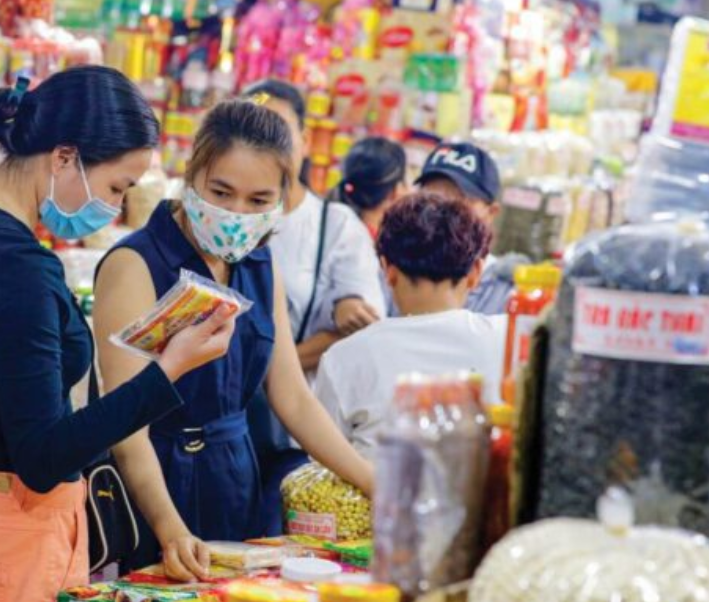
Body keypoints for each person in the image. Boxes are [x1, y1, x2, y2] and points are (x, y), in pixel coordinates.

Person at [0, 66, 237, 602]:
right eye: (115, 187)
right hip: (4, 550)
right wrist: (168, 369)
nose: (111, 209)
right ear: (64, 157)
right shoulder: (20, 269)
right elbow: (43, 459)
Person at [92, 98, 374, 581]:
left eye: (258, 200)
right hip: (153, 481)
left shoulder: (262, 267)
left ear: (284, 196)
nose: (235, 212)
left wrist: (375, 483)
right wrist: (170, 528)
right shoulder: (134, 264)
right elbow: (126, 428)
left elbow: (294, 400)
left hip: (236, 475)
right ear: (192, 173)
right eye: (220, 192)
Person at [240, 80, 385, 535]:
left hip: (294, 440)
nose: (265, 144)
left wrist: (255, 362)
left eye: (279, 130)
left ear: (304, 140)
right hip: (217, 435)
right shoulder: (223, 224)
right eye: (252, 128)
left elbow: (356, 330)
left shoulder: (334, 226)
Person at [314, 193, 507, 459]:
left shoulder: (344, 357)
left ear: (388, 271)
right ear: (475, 273)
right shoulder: (507, 340)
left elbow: (322, 465)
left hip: (377, 497)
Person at [412, 141, 527, 315]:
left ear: (491, 212)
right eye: (431, 198)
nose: (441, 213)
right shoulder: (395, 270)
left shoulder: (506, 292)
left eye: (459, 201)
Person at [336, 137, 411, 240]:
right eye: (406, 182)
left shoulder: (337, 228)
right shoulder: (381, 248)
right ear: (395, 191)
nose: (410, 191)